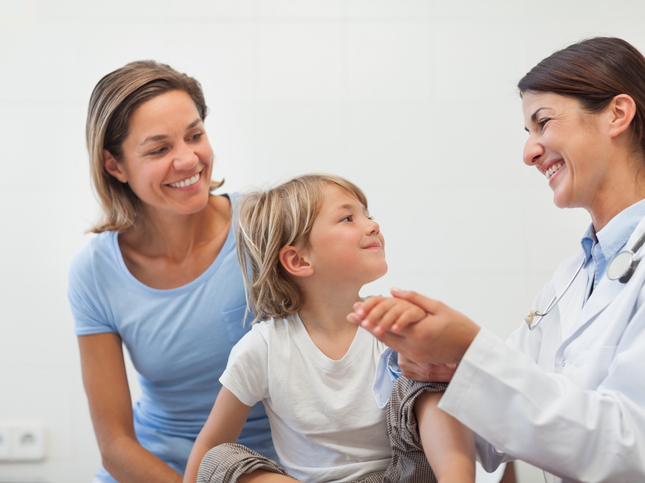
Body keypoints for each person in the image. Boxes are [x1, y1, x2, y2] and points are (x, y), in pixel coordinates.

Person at [348, 37, 645, 483]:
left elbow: (630, 448)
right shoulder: (571, 277)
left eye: (542, 123)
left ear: (617, 115)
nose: (529, 152)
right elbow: (497, 437)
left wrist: (469, 349)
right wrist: (436, 365)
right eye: (529, 133)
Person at [183, 174, 476, 483]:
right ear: (298, 260)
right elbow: (209, 446)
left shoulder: (394, 325)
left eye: (368, 214)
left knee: (424, 372)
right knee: (219, 459)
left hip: (399, 477)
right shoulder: (263, 348)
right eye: (348, 218)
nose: (372, 224)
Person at [68, 61, 276, 483]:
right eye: (159, 149)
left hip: (265, 467)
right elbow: (115, 446)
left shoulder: (265, 224)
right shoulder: (95, 271)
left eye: (195, 135)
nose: (188, 159)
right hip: (155, 469)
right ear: (115, 165)